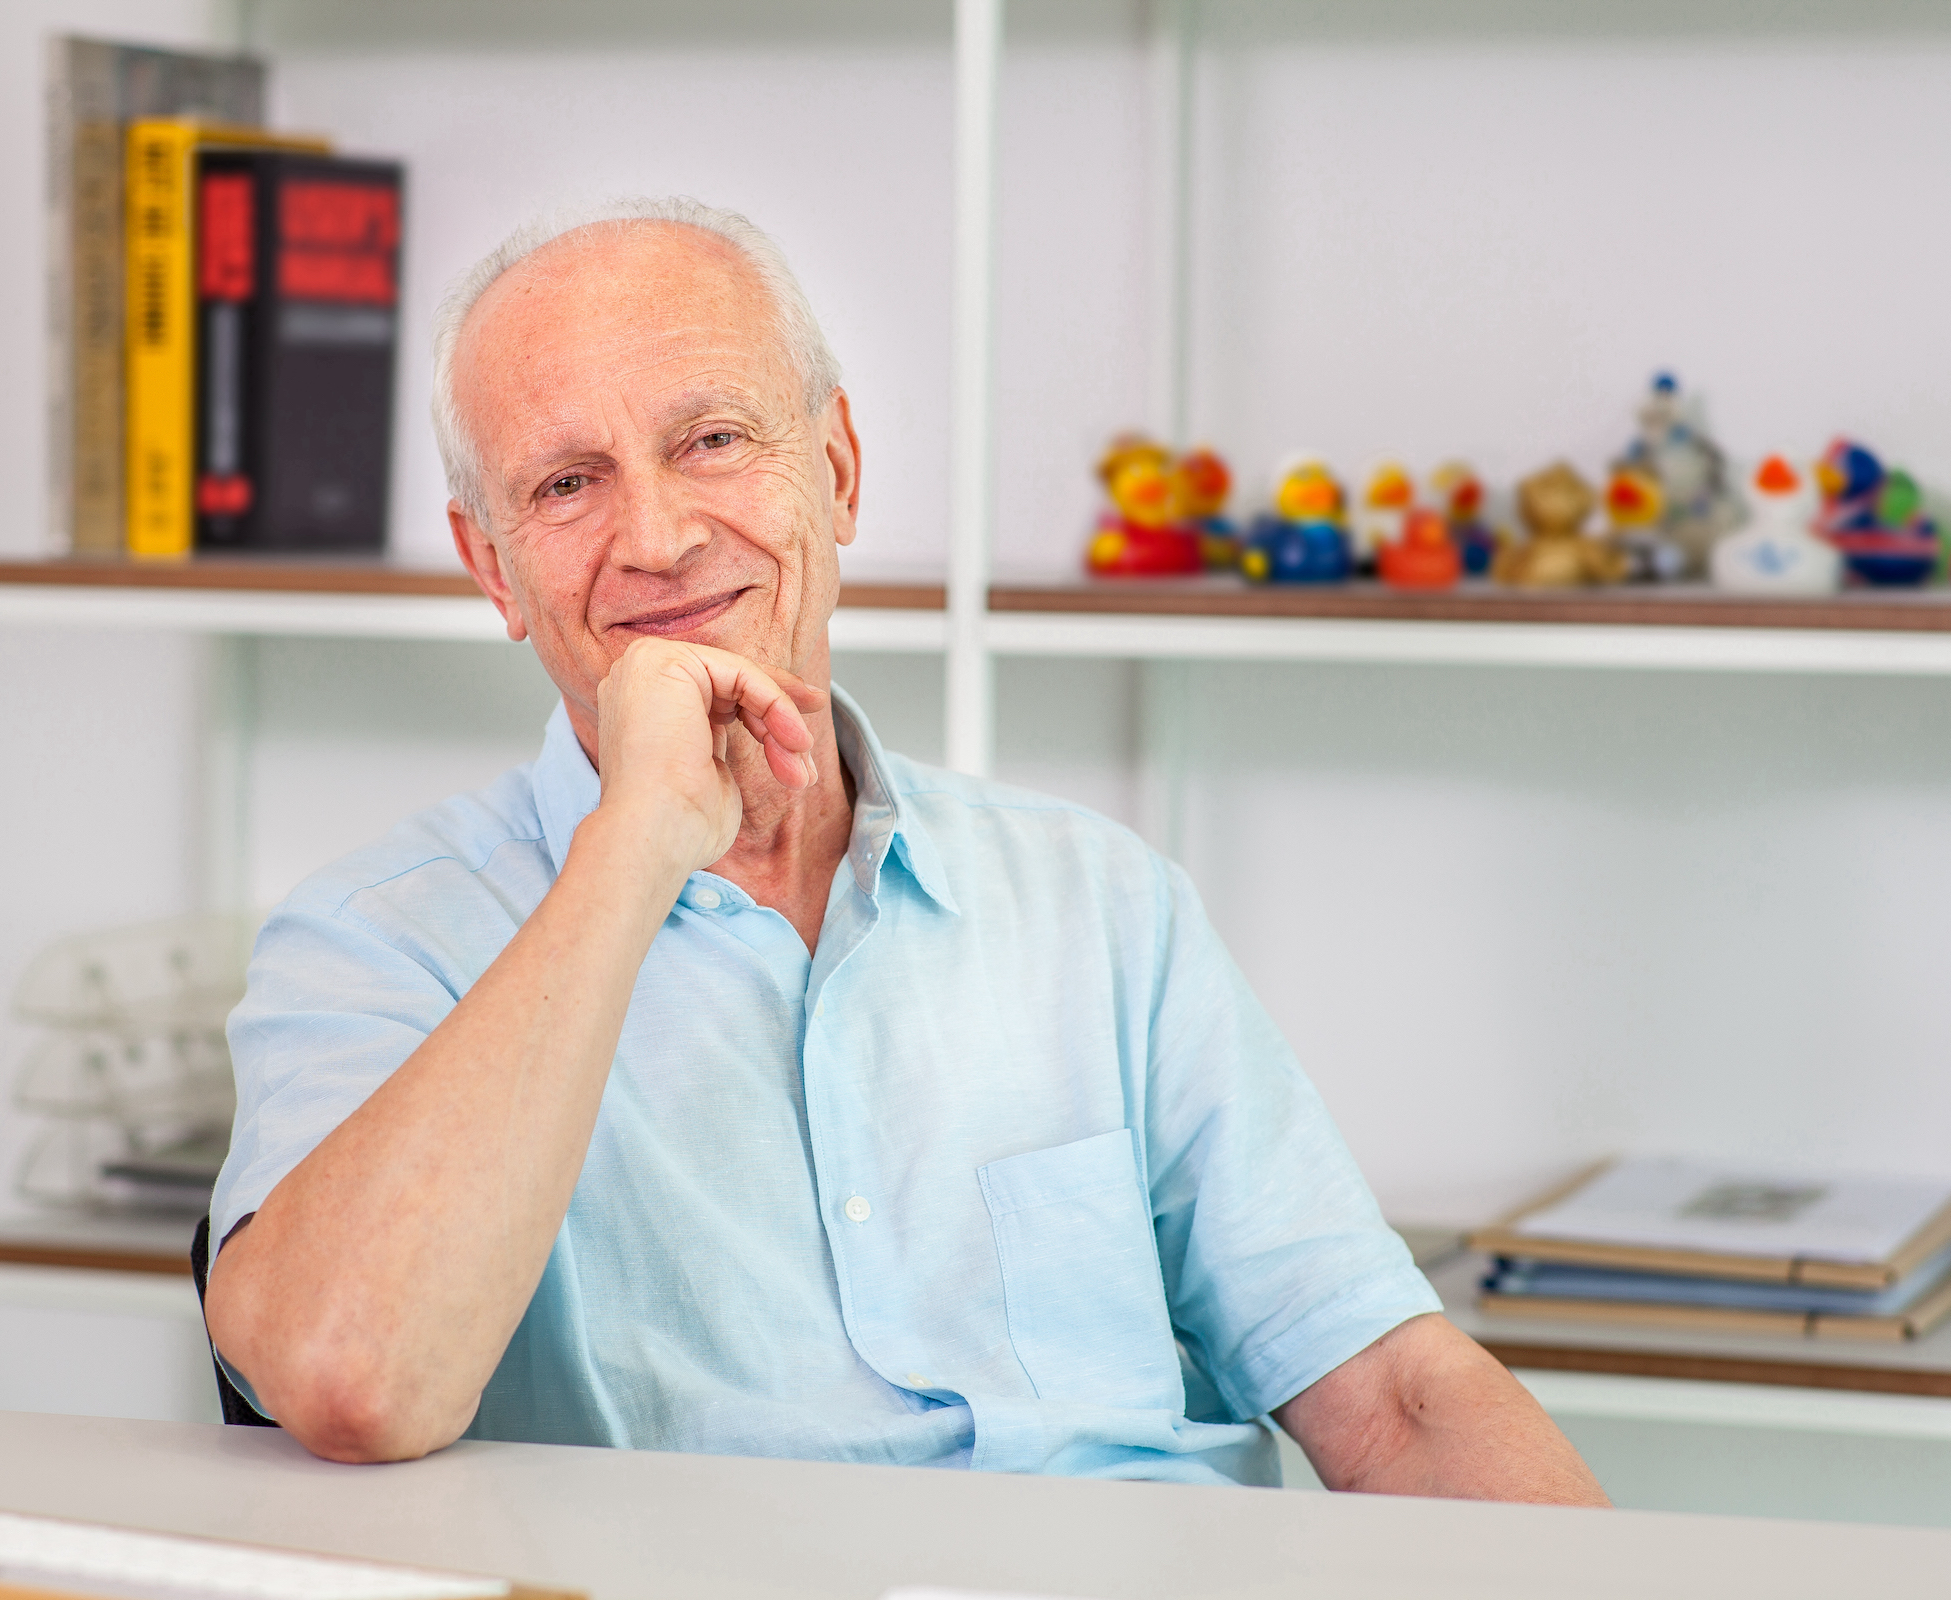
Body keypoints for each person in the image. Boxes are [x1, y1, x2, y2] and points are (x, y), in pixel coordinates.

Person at [204, 196, 1606, 1504]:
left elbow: (1393, 1397)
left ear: (838, 472)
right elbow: (352, 1376)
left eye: (712, 441)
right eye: (569, 483)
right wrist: (636, 841)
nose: (661, 534)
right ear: (491, 567)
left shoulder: (1097, 901)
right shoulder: (374, 938)